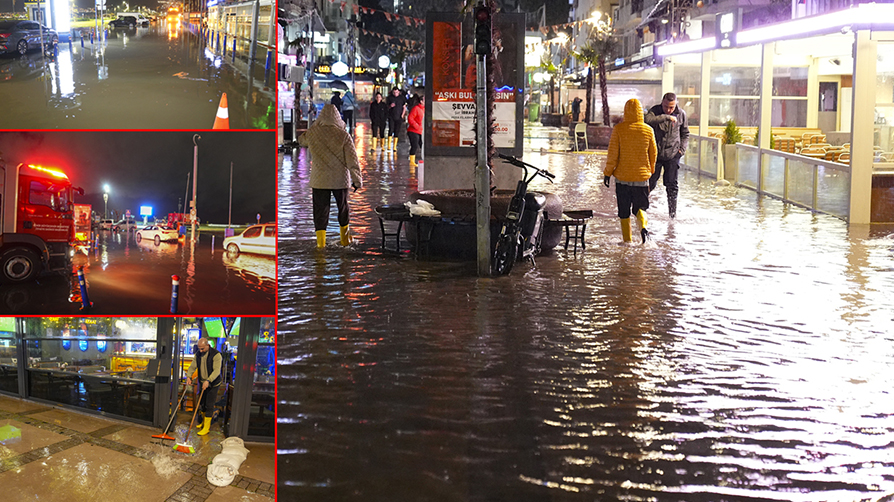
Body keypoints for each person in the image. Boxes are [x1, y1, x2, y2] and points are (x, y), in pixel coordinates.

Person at [298, 104, 362, 248]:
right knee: (343, 208)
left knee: (320, 211)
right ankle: (345, 241)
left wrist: (314, 126)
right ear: (338, 118)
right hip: (340, 180)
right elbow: (353, 160)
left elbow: (301, 140)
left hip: (319, 181)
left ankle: (321, 245)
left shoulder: (313, 133)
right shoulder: (343, 135)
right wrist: (357, 181)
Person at [603, 98, 657, 244]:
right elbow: (653, 154)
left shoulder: (619, 130)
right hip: (641, 177)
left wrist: (607, 173)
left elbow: (613, 154)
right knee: (641, 207)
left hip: (622, 178)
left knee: (624, 211)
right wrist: (650, 170)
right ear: (641, 112)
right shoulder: (648, 130)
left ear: (626, 112)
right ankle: (643, 227)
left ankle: (627, 242)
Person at [644, 92, 689, 218]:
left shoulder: (681, 114)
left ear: (676, 104)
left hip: (673, 154)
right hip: (656, 154)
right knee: (650, 182)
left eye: (671, 107)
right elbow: (647, 120)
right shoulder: (654, 111)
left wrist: (681, 151)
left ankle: (672, 215)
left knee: (672, 185)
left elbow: (685, 134)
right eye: (666, 107)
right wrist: (666, 117)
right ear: (662, 103)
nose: (668, 110)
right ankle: (641, 210)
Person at [185, 338, 223, 436]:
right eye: (199, 348)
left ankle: (206, 427)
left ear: (207, 345)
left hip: (213, 383)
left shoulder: (216, 355)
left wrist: (208, 380)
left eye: (202, 349)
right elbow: (193, 366)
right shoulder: (198, 354)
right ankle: (202, 422)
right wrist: (189, 376)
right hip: (203, 382)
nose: (200, 351)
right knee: (202, 402)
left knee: (209, 404)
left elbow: (216, 371)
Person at [385, 88, 407, 152]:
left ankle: (394, 147)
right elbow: (386, 107)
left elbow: (404, 107)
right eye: (394, 92)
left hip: (399, 117)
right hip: (391, 116)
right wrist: (390, 106)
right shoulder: (389, 98)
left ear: (399, 92)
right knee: (391, 130)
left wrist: (402, 115)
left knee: (397, 131)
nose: (395, 93)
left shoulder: (402, 98)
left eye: (396, 92)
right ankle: (389, 146)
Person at [407, 94, 424, 168]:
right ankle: (412, 162)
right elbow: (410, 118)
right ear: (421, 101)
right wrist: (416, 126)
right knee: (414, 145)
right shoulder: (416, 108)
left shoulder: (424, 109)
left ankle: (422, 159)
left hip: (421, 131)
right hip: (413, 131)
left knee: (421, 145)